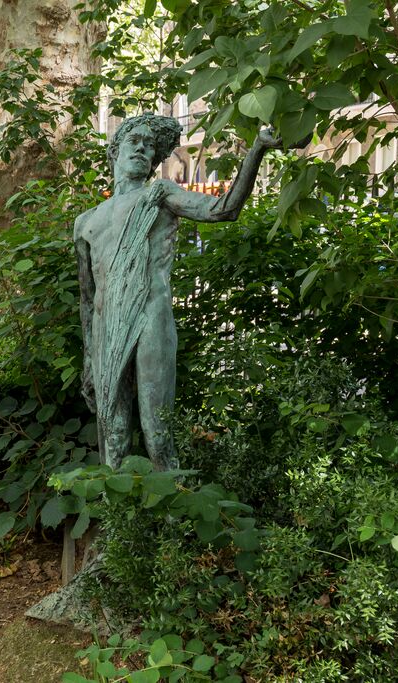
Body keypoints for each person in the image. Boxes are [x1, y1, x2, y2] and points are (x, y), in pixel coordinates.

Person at [75, 113, 290, 470]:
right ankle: (118, 522)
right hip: (104, 331)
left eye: (151, 148)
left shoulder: (160, 196)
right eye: (135, 142)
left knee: (157, 434)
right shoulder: (86, 222)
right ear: (114, 150)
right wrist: (88, 360)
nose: (143, 150)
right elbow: (86, 298)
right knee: (112, 439)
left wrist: (256, 150)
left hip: (150, 318)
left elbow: (225, 209)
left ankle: (171, 521)